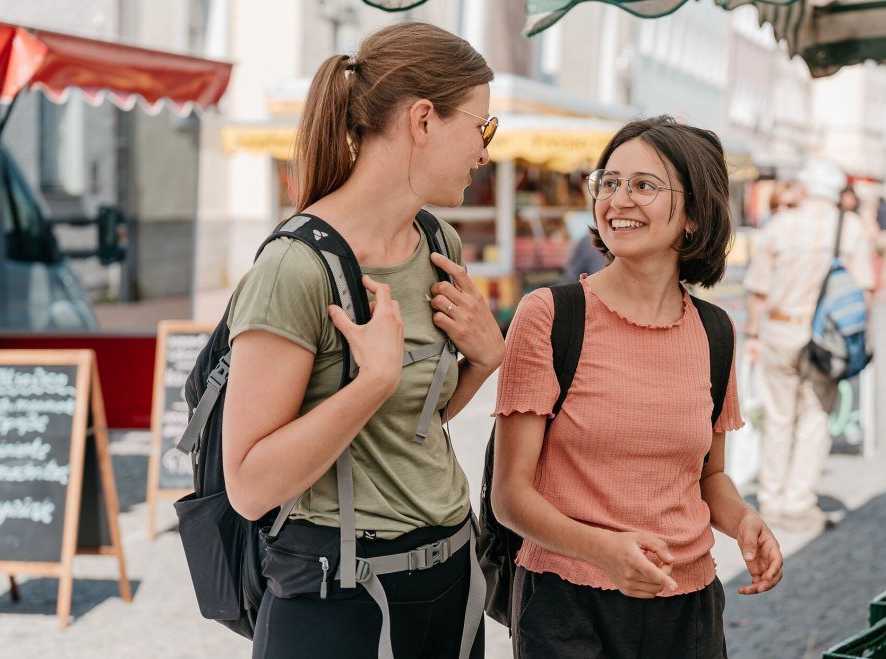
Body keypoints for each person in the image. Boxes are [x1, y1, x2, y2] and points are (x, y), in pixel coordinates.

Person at [219, 23, 504, 657]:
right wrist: (369, 382)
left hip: (452, 582)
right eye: (481, 128)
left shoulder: (438, 244)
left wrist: (485, 363)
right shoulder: (294, 269)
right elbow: (249, 484)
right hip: (340, 597)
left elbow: (411, 423)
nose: (485, 153)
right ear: (423, 120)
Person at [492, 116, 783, 657]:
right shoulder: (550, 315)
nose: (618, 199)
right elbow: (510, 497)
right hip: (567, 607)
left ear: (694, 215)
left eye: (644, 185)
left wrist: (744, 520)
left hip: (688, 607)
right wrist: (604, 550)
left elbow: (709, 475)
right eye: (609, 181)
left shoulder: (715, 331)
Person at [743, 158, 874, 531]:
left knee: (778, 415)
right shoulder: (849, 229)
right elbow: (863, 292)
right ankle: (798, 501)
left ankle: (770, 498)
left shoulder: (781, 224)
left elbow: (758, 287)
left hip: (780, 329)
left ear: (804, 187)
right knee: (815, 418)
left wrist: (753, 334)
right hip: (826, 337)